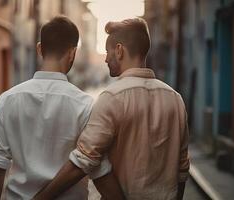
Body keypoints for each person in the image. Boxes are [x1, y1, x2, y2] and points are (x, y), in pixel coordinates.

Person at [34, 18, 190, 200]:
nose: (106, 58)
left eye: (108, 52)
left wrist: (40, 198)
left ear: (119, 50)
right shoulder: (175, 99)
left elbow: (85, 160)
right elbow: (182, 168)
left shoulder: (113, 97)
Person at [0, 16, 122, 200]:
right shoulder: (85, 104)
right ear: (73, 53)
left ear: (39, 49)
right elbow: (96, 167)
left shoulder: (7, 100)